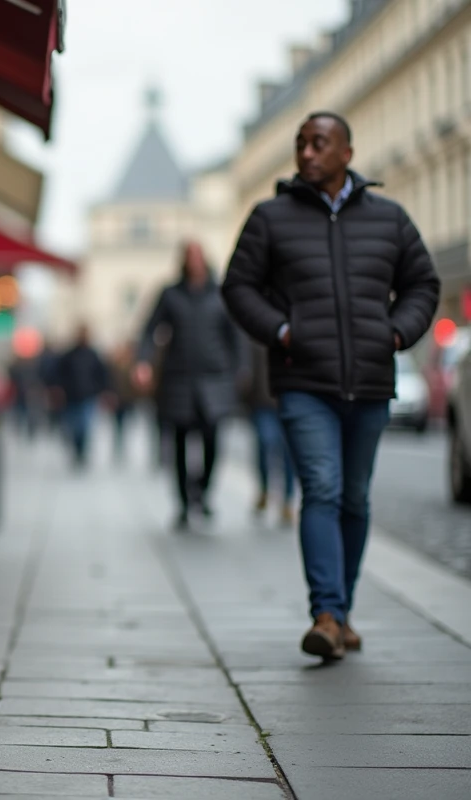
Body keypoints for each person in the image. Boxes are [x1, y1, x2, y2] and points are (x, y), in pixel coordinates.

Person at [222, 112, 440, 661]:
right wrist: (283, 331)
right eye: (300, 143)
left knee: (354, 498)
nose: (306, 153)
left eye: (319, 143)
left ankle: (341, 612)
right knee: (321, 488)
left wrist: (397, 333)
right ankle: (325, 613)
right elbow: (239, 286)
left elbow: (422, 283)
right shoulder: (270, 217)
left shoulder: (389, 218)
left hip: (370, 382)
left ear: (347, 152)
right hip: (303, 381)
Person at [133, 241, 243, 528]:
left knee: (212, 440)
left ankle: (202, 492)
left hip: (214, 379)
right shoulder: (170, 294)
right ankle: (183, 503)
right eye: (189, 256)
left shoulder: (220, 294)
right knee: (179, 444)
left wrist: (240, 370)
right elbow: (150, 329)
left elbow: (235, 336)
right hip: (179, 381)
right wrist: (143, 362)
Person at [243, 340, 295, 526]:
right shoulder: (258, 336)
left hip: (289, 403)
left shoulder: (296, 334)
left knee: (288, 453)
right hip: (262, 403)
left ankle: (287, 500)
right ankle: (264, 488)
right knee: (266, 443)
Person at [52, 325, 111, 467]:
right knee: (74, 427)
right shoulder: (69, 355)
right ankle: (77, 449)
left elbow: (102, 374)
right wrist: (59, 389)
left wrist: (102, 390)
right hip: (71, 397)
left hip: (88, 396)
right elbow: (58, 374)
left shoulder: (93, 355)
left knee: (85, 426)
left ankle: (82, 451)